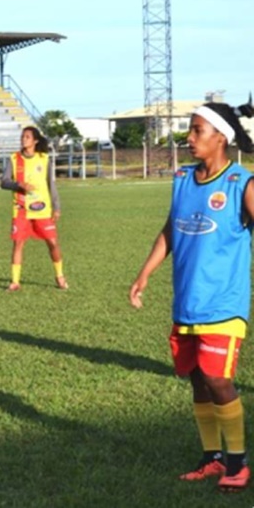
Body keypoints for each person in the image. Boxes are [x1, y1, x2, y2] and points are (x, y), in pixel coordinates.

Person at [129, 101, 254, 492]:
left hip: (224, 304)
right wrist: (144, 274)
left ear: (221, 138)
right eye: (191, 128)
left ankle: (238, 463)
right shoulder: (182, 178)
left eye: (198, 129)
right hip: (187, 302)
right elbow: (171, 229)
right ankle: (211, 459)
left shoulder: (242, 183)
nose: (190, 136)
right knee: (198, 379)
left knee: (218, 379)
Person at [0, 126, 67, 291]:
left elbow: (51, 184)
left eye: (27, 137)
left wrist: (56, 207)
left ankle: (60, 276)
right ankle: (15, 282)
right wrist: (19, 185)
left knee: (53, 243)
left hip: (42, 209)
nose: (23, 139)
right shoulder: (14, 159)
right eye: (22, 136)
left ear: (35, 141)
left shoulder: (44, 159)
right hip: (21, 209)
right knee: (18, 244)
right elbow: (4, 182)